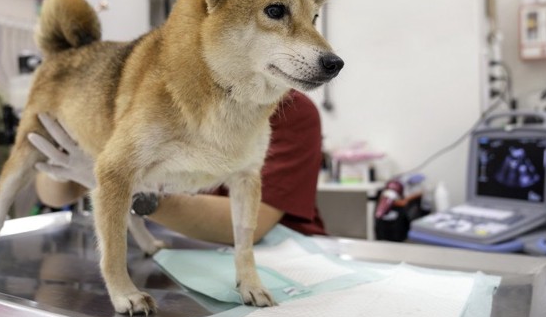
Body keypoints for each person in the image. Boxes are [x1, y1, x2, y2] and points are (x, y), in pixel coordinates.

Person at [30, 90, 327, 245]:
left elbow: (248, 225)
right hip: (182, 256)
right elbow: (51, 195)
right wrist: (67, 153)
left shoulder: (289, 110)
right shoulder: (155, 99)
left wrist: (129, 189)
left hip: (282, 262)